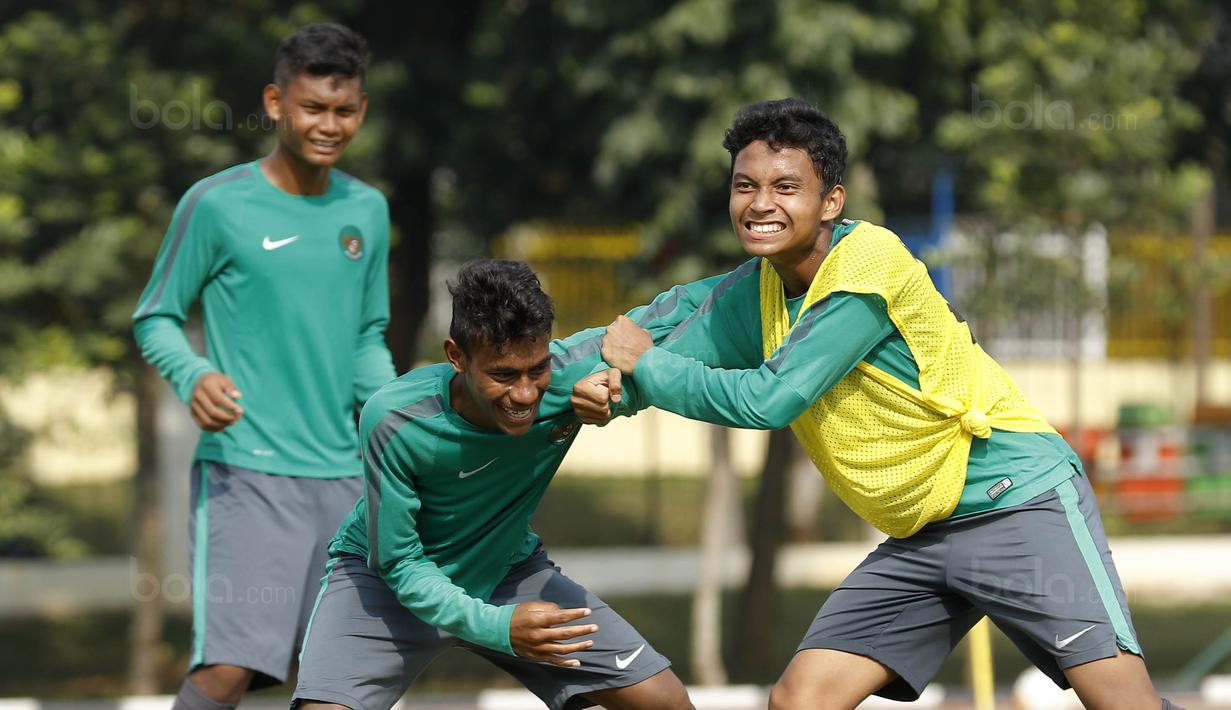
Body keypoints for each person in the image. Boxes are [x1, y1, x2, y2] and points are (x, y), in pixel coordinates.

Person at [574, 98, 1182, 710]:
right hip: (923, 533)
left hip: (1015, 503)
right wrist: (594, 389)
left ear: (831, 201)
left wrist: (642, 365)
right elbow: (660, 337)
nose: (760, 204)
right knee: (800, 700)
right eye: (745, 186)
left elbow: (767, 400)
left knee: (1122, 703)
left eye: (786, 187)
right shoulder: (756, 293)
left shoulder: (866, 268)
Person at [292, 259, 693, 710]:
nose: (524, 393)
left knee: (665, 702)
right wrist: (499, 629)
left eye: (536, 370)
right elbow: (399, 561)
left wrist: (627, 392)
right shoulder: (395, 418)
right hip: (384, 583)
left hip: (506, 570)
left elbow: (683, 314)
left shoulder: (572, 374)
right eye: (503, 375)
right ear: (456, 356)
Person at [132, 23, 394, 709]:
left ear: (360, 110)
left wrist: (398, 420)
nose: (328, 125)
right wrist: (193, 375)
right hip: (247, 471)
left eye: (343, 111)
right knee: (227, 667)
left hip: (343, 478)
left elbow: (366, 337)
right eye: (312, 108)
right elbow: (155, 314)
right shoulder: (217, 205)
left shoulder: (367, 212)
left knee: (338, 680)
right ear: (276, 103)